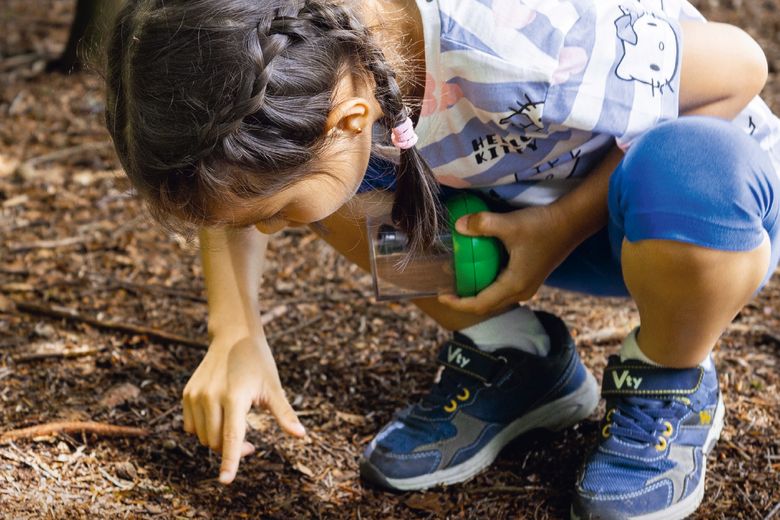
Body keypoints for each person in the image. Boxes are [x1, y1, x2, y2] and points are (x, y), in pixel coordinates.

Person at [104, 0, 779, 518]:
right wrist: (235, 329)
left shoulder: (519, 42)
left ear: (351, 117)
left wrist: (558, 229)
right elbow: (234, 182)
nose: (274, 233)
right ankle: (515, 359)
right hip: (516, 202)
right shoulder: (304, 62)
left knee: (694, 164)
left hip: (684, 221)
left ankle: (670, 374)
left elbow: (741, 68)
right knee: (321, 187)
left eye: (273, 218)